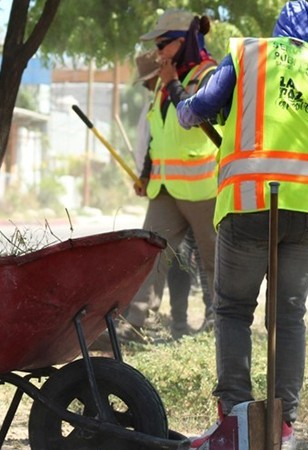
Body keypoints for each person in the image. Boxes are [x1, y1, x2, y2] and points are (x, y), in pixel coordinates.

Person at [175, 1, 308, 447]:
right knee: (289, 314)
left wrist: (185, 110)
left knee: (235, 309)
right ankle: (284, 426)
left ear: (278, 34)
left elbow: (201, 106)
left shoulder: (247, 55)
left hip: (248, 204)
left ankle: (236, 420)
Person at [121, 9, 219, 341]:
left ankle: (219, 325)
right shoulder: (166, 81)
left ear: (183, 42)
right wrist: (146, 174)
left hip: (203, 187)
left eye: (163, 44)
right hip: (165, 188)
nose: (158, 52)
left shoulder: (209, 75)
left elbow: (194, 114)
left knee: (214, 260)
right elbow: (157, 135)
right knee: (150, 253)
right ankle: (137, 322)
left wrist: (173, 84)